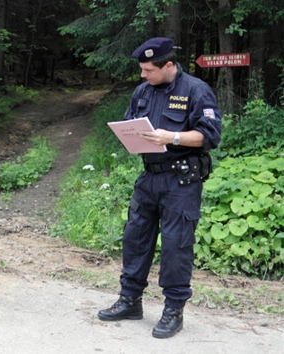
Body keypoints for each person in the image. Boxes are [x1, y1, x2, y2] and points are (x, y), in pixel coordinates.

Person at [97, 37, 223, 339]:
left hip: (181, 180)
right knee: (135, 238)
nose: (143, 75)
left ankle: (173, 310)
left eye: (148, 70)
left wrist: (172, 137)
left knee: (176, 246)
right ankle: (130, 301)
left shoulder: (195, 90)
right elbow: (131, 121)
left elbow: (211, 136)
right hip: (149, 178)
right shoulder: (143, 91)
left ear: (168, 65)